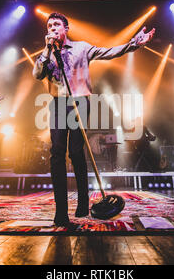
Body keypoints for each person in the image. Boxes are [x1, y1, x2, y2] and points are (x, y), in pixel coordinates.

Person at [32, 12, 155, 226]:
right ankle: (60, 210)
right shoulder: (47, 54)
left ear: (66, 28)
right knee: (57, 152)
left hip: (80, 101)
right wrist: (46, 49)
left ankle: (82, 203)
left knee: (77, 152)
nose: (52, 28)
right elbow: (37, 74)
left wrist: (133, 44)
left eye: (56, 25)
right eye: (49, 25)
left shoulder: (81, 47)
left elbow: (109, 52)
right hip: (58, 103)